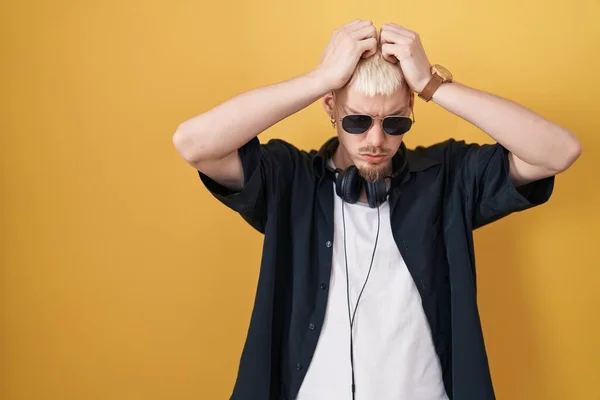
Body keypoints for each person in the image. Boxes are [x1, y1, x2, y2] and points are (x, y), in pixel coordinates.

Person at [172, 19, 581, 400]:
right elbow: (194, 143)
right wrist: (320, 79)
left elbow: (559, 152)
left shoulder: (447, 178)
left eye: (395, 123)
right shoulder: (289, 181)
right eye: (357, 121)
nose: (376, 139)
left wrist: (431, 85)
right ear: (330, 108)